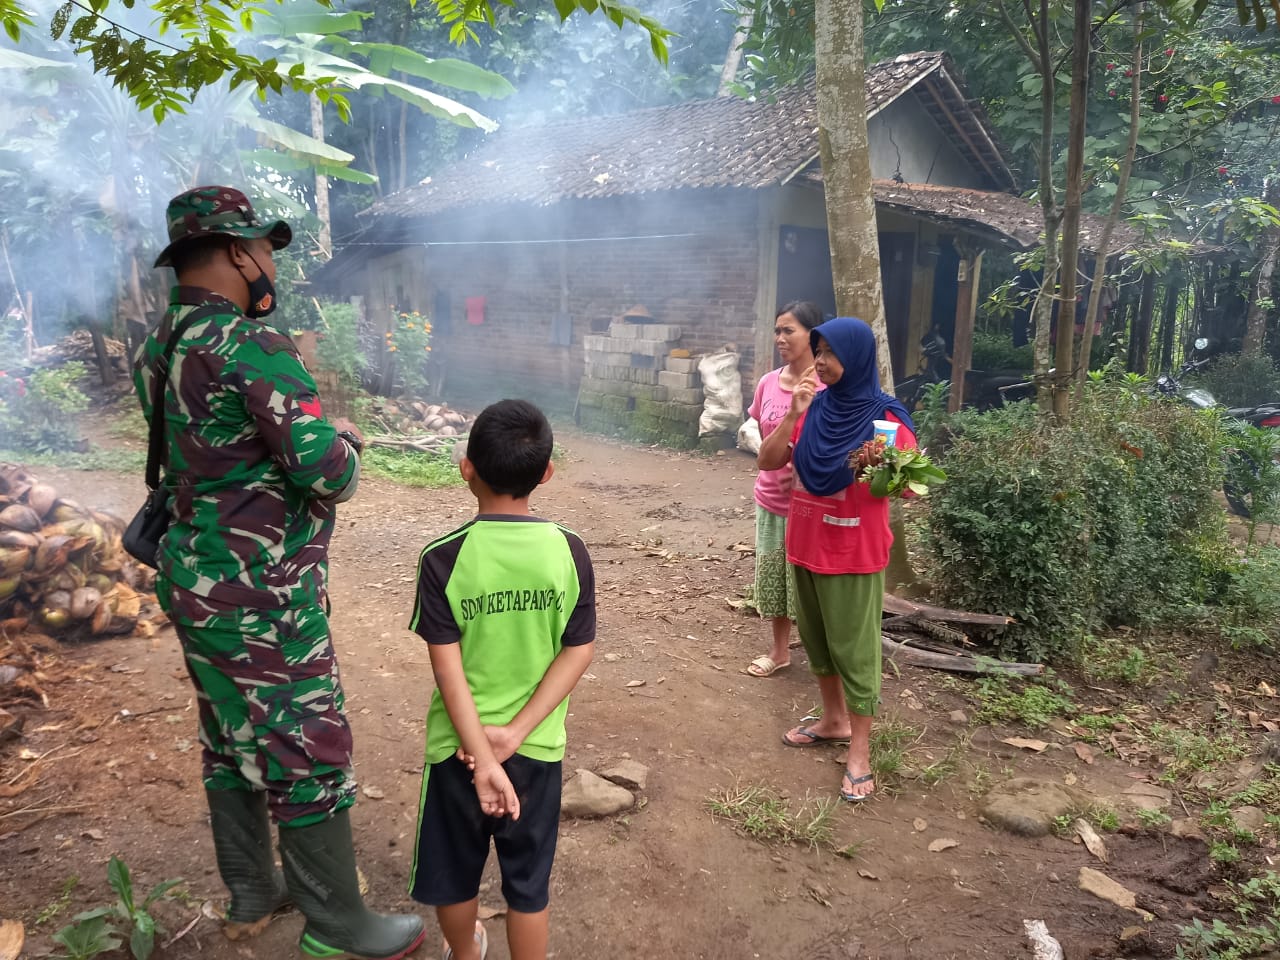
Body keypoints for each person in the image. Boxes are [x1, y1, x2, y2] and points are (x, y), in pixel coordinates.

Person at [133, 185, 425, 959]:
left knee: (230, 735)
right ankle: (338, 925)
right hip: (262, 593)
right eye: (264, 249)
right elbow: (325, 473)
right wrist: (345, 442)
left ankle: (254, 892)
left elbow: (217, 445)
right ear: (235, 251)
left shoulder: (161, 344)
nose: (269, 264)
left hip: (193, 577)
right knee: (308, 742)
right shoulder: (252, 345)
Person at [407, 399, 596, 960]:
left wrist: (484, 757)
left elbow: (448, 669)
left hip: (458, 751)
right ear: (547, 473)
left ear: (466, 466)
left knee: (454, 874)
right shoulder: (570, 551)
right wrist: (513, 736)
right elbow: (578, 650)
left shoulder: (443, 558)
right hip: (535, 747)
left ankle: (465, 952)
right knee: (527, 886)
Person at [757, 317, 917, 802]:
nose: (819, 361)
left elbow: (904, 487)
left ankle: (861, 752)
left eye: (829, 353)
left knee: (855, 649)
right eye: (818, 351)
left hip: (852, 551)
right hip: (804, 542)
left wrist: (883, 467)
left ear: (858, 358)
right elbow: (767, 461)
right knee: (819, 641)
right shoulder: (814, 406)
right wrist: (792, 414)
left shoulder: (885, 419)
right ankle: (832, 721)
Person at [745, 300, 824, 678]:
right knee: (775, 576)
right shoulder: (767, 383)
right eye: (777, 330)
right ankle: (779, 652)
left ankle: (821, 655)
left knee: (810, 583)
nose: (780, 338)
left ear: (813, 335)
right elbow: (762, 436)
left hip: (814, 503)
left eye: (788, 330)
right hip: (772, 497)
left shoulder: (828, 387)